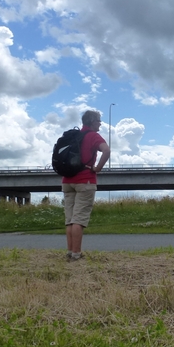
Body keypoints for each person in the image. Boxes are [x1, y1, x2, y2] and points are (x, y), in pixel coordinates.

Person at [62, 110, 110, 261]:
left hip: (67, 181)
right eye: (99, 120)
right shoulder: (93, 136)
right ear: (92, 122)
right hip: (85, 180)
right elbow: (106, 151)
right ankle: (76, 254)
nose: (100, 123)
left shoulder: (73, 135)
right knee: (79, 220)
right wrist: (97, 168)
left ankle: (70, 252)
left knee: (70, 219)